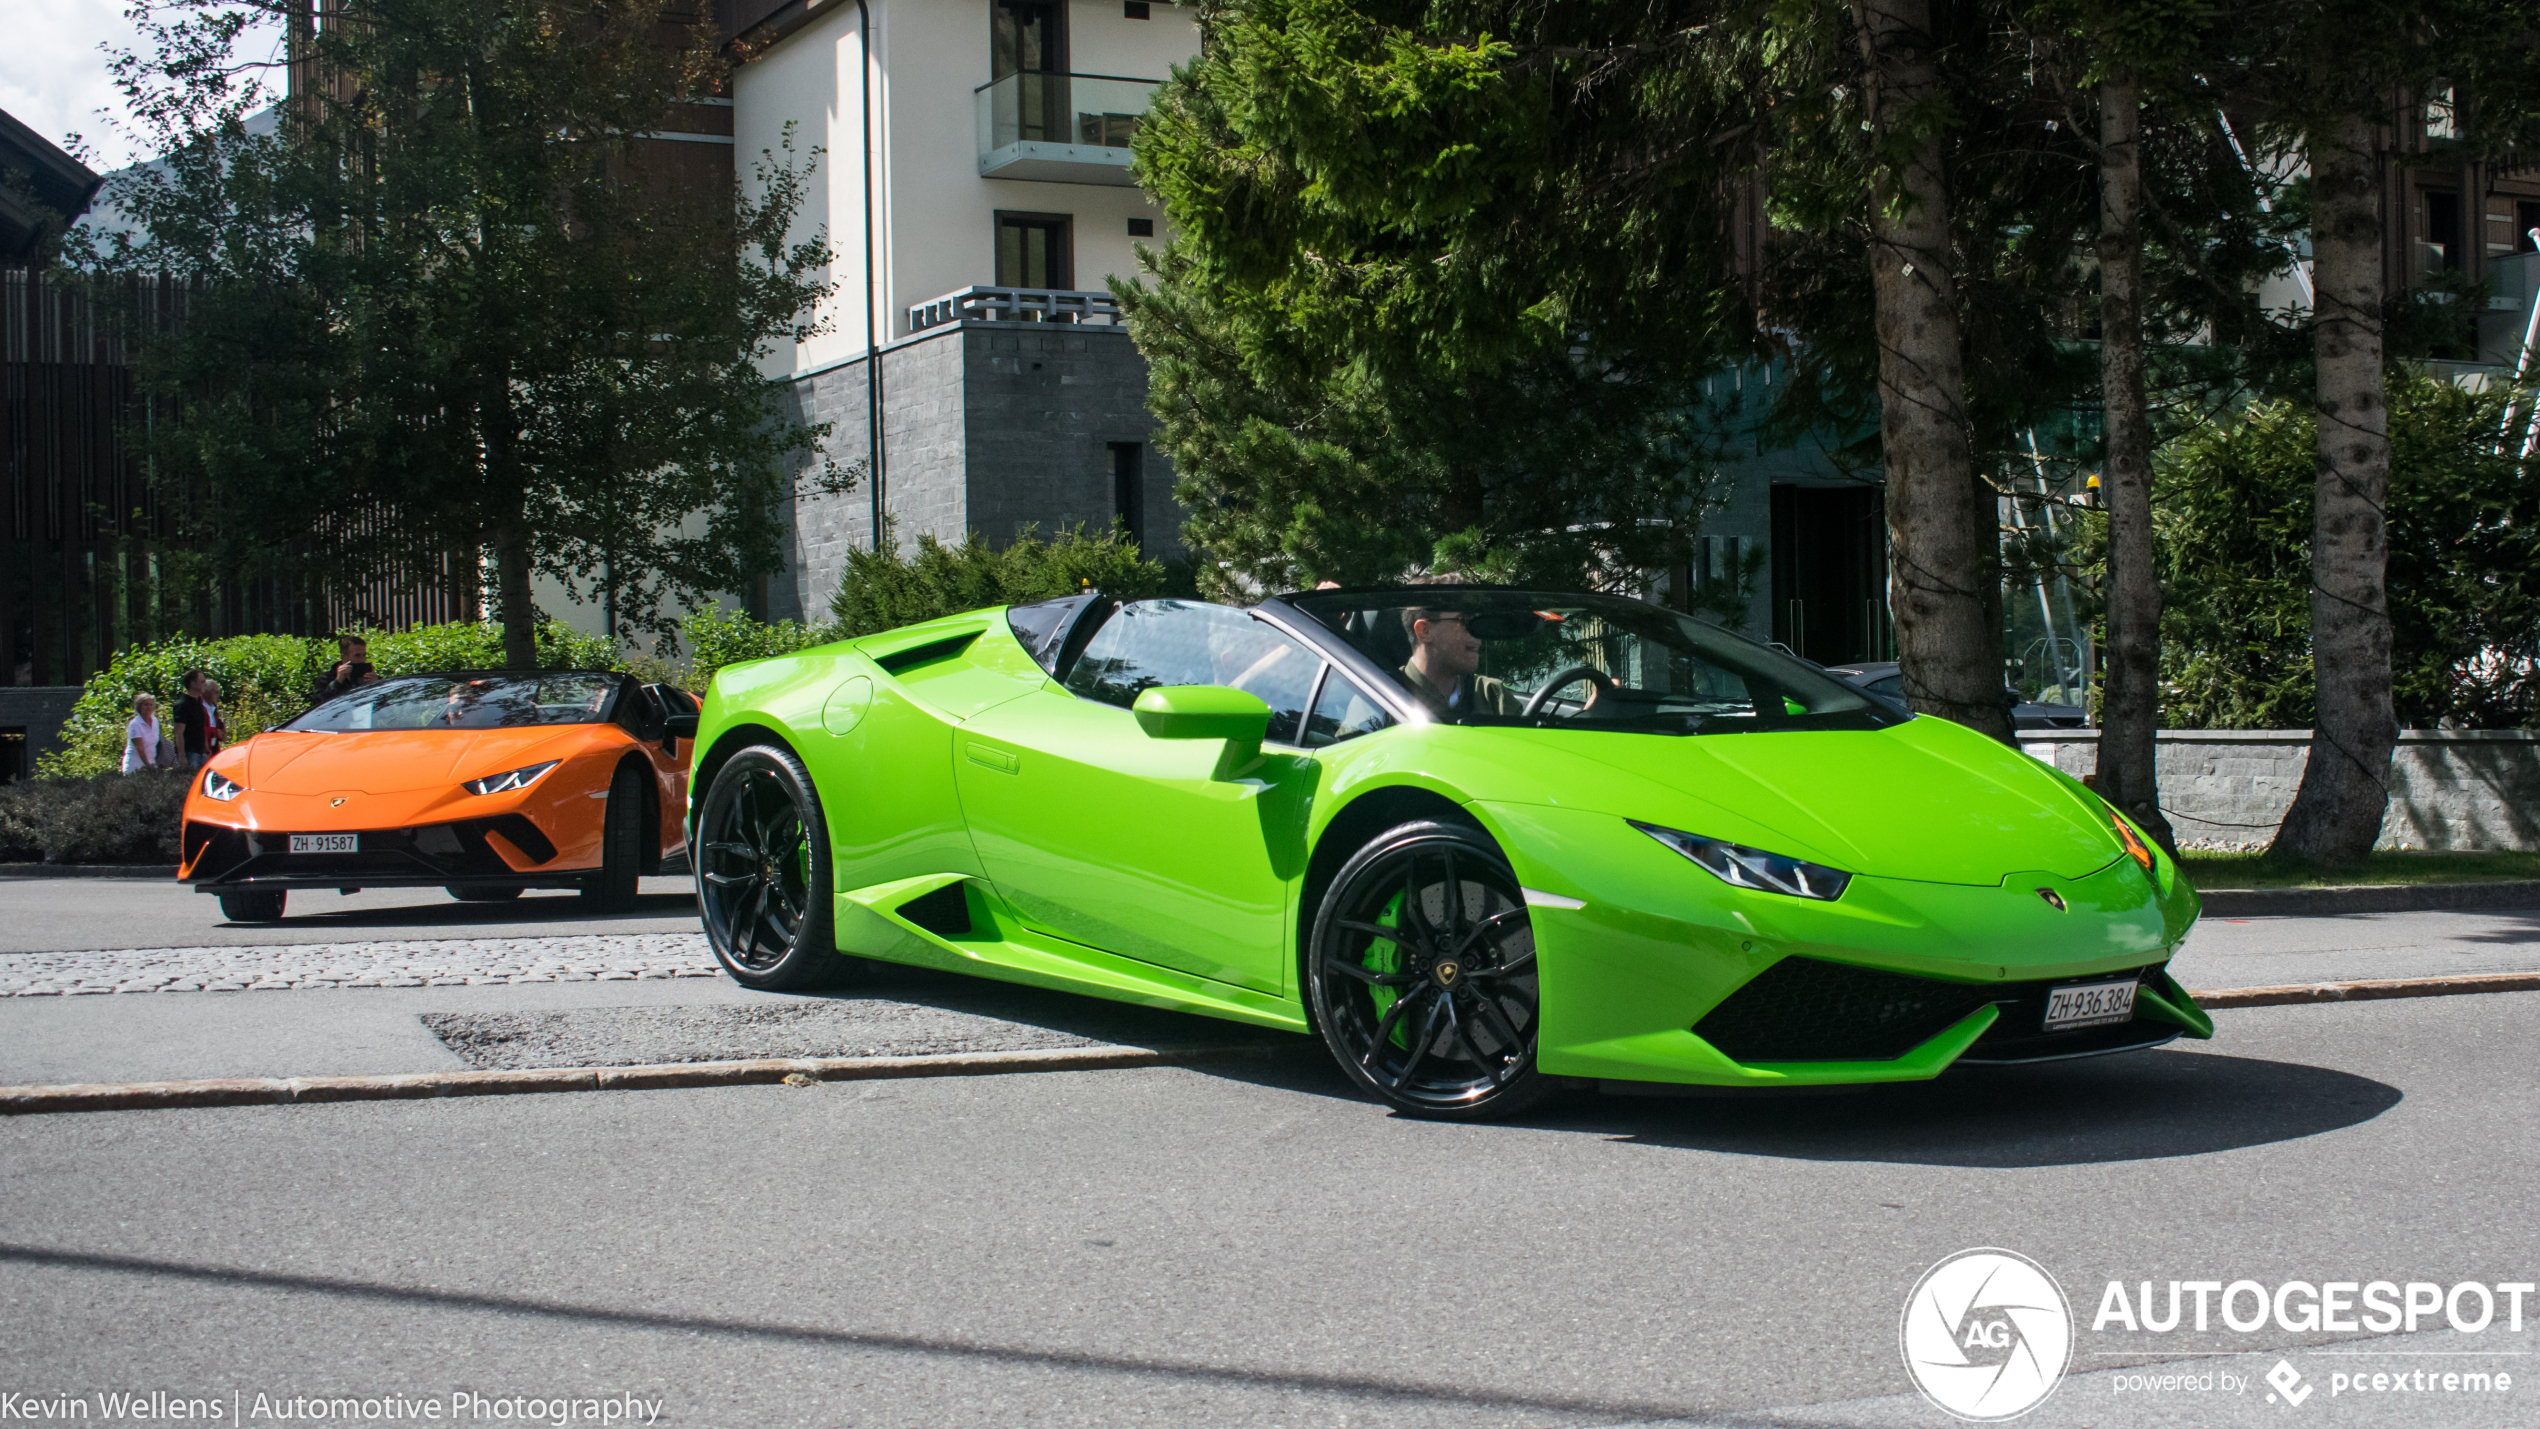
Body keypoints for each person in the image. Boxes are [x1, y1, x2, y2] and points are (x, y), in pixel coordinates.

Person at [1396, 605, 1524, 720]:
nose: (1477, 633)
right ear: (1425, 631)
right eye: (1465, 620)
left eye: (1478, 622)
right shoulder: (1385, 697)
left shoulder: (1492, 696)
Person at [309, 635, 378, 708]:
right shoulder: (327, 678)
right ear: (343, 657)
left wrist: (376, 684)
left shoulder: (370, 676)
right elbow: (320, 705)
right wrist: (337, 682)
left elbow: (383, 704)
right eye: (357, 656)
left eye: (364, 655)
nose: (362, 660)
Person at [170, 668, 212, 771]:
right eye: (202, 682)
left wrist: (206, 750)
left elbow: (201, 727)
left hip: (201, 752)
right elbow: (178, 733)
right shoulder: (183, 705)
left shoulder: (199, 703)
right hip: (190, 753)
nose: (205, 684)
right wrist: (181, 755)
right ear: (193, 684)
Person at [123, 693, 162, 774]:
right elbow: (140, 750)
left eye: (151, 705)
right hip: (134, 765)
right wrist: (148, 767)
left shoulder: (155, 721)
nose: (149, 707)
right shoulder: (135, 724)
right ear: (139, 706)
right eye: (146, 705)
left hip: (151, 762)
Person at [202, 679, 228, 756]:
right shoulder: (199, 708)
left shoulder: (213, 708)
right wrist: (215, 732)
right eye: (216, 692)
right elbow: (200, 729)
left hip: (213, 750)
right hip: (202, 751)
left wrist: (222, 733)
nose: (218, 695)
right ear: (207, 693)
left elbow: (217, 725)